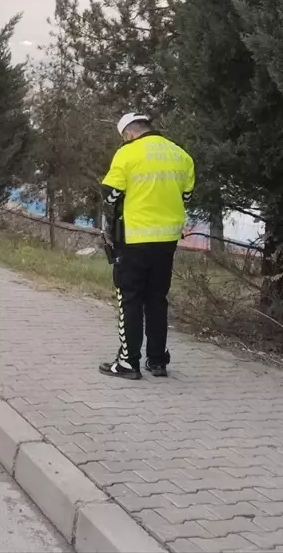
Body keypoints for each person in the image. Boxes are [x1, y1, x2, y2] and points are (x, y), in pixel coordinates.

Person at [98, 113, 195, 380]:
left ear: (129, 133)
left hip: (133, 239)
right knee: (157, 300)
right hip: (166, 241)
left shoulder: (128, 153)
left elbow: (110, 193)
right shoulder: (180, 155)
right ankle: (157, 360)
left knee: (129, 299)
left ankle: (129, 363)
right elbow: (186, 195)